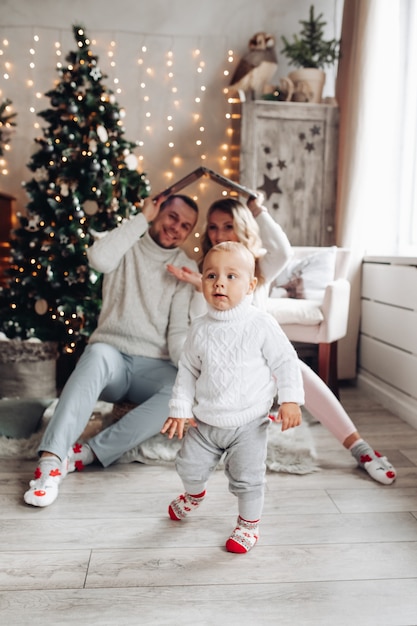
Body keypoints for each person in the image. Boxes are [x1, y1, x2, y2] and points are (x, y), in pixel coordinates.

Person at [167, 195, 397, 486]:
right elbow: (196, 333)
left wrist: (257, 210)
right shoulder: (202, 275)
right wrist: (200, 284)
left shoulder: (260, 270)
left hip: (257, 367)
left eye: (228, 226)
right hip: (218, 376)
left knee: (297, 371)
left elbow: (283, 250)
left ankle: (360, 448)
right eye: (213, 227)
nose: (218, 234)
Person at [24, 193, 199, 507]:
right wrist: (140, 219)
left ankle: (88, 453)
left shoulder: (185, 267)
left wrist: (191, 375)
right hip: (112, 358)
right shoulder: (127, 242)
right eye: (172, 217)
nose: (176, 228)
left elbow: (177, 333)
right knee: (97, 354)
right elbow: (99, 259)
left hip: (152, 365)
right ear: (158, 212)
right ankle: (50, 464)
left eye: (186, 225)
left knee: (181, 388)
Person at [161, 242, 304, 553]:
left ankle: (248, 524)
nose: (219, 283)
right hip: (205, 421)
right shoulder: (199, 328)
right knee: (187, 466)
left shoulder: (260, 323)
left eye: (231, 276)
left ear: (250, 285)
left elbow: (285, 360)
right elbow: (187, 371)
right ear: (201, 282)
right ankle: (195, 494)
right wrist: (180, 408)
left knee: (247, 478)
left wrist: (290, 399)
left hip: (249, 423)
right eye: (211, 275)